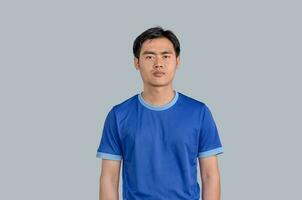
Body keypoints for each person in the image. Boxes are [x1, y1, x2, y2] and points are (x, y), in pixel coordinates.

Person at [96, 26, 224, 200]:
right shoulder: (119, 115)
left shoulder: (199, 113)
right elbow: (109, 179)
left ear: (177, 61)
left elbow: (210, 176)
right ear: (136, 62)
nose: (158, 64)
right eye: (149, 56)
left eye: (166, 56)